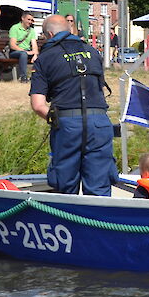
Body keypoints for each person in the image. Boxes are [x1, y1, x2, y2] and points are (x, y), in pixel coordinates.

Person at [28, 14, 118, 196]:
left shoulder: (45, 58)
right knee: (100, 183)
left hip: (68, 123)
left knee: (65, 184)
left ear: (50, 34)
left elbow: (38, 105)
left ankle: (67, 220)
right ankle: (98, 222)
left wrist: (56, 120)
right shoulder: (92, 52)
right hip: (99, 122)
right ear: (69, 30)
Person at [8, 11, 39, 82]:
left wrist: (35, 54)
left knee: (40, 57)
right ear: (22, 18)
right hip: (15, 52)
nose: (30, 22)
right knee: (23, 54)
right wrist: (26, 52)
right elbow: (12, 45)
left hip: (27, 52)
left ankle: (35, 77)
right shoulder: (15, 28)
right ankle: (23, 77)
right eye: (28, 19)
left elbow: (34, 45)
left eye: (32, 20)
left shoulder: (32, 30)